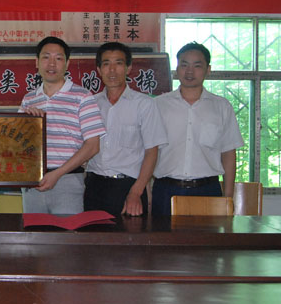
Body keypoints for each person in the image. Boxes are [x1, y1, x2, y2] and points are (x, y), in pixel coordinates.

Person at [152, 42, 244, 216]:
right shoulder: (158, 105)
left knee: (207, 235)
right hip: (165, 189)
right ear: (176, 69)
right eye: (184, 65)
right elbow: (149, 151)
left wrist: (228, 197)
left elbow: (228, 154)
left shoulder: (221, 107)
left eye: (197, 66)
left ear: (208, 69)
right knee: (163, 234)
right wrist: (146, 191)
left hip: (208, 190)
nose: (189, 71)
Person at [19, 36, 105, 214]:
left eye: (58, 58)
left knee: (67, 232)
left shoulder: (82, 96)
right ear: (37, 62)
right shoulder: (29, 99)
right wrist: (28, 124)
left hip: (67, 181)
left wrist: (57, 174)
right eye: (46, 57)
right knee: (34, 231)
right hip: (32, 182)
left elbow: (93, 146)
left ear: (67, 64)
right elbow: (17, 143)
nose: (52, 64)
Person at [85, 42, 167, 216]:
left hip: (129, 188)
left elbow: (152, 152)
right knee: (93, 234)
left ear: (128, 68)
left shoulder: (144, 104)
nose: (112, 70)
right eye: (106, 64)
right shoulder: (90, 104)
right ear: (99, 70)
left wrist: (136, 192)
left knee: (132, 234)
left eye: (118, 63)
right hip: (94, 187)